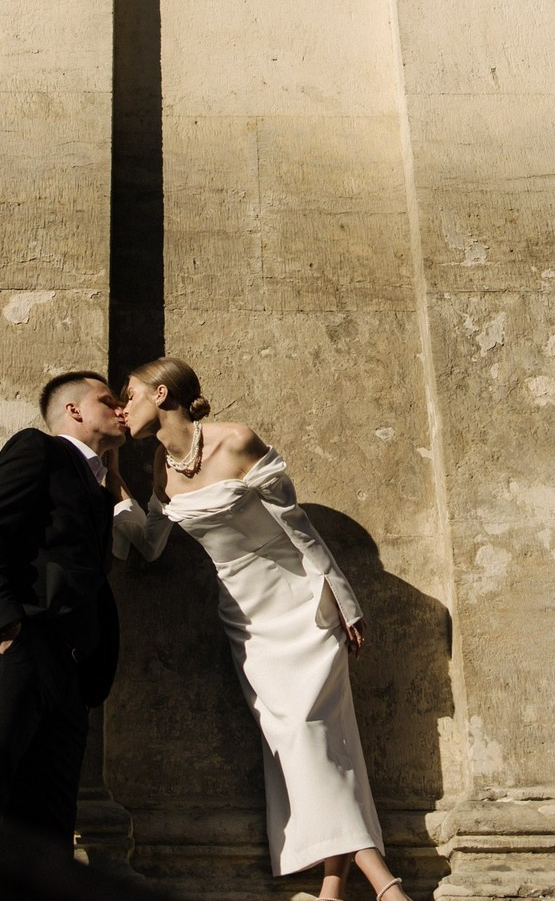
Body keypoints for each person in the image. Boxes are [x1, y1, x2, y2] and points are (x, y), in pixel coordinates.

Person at [114, 357, 413, 901]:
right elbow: (151, 544)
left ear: (160, 394)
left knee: (306, 738)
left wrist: (344, 601)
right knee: (309, 745)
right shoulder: (159, 464)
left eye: (129, 395)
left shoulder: (236, 440)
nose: (121, 407)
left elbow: (298, 525)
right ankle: (335, 890)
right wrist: (115, 484)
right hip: (246, 619)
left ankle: (385, 887)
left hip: (300, 602)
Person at [0, 371, 128, 853]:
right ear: (74, 410)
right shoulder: (39, 449)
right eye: (108, 400)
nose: (121, 409)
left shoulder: (101, 487)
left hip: (69, 672)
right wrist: (5, 625)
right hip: (17, 648)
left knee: (47, 827)